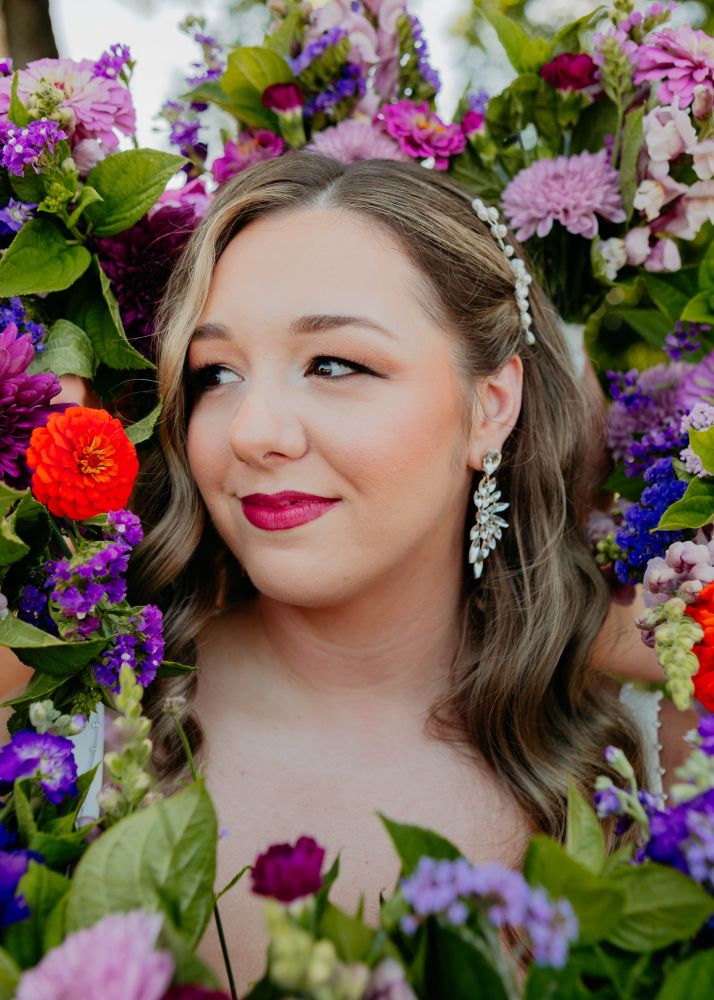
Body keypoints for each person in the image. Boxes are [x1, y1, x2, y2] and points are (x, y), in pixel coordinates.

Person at [120, 152, 687, 993]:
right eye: (217, 374)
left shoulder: (655, 748)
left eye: (334, 364)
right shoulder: (85, 722)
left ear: (491, 406)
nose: (252, 432)